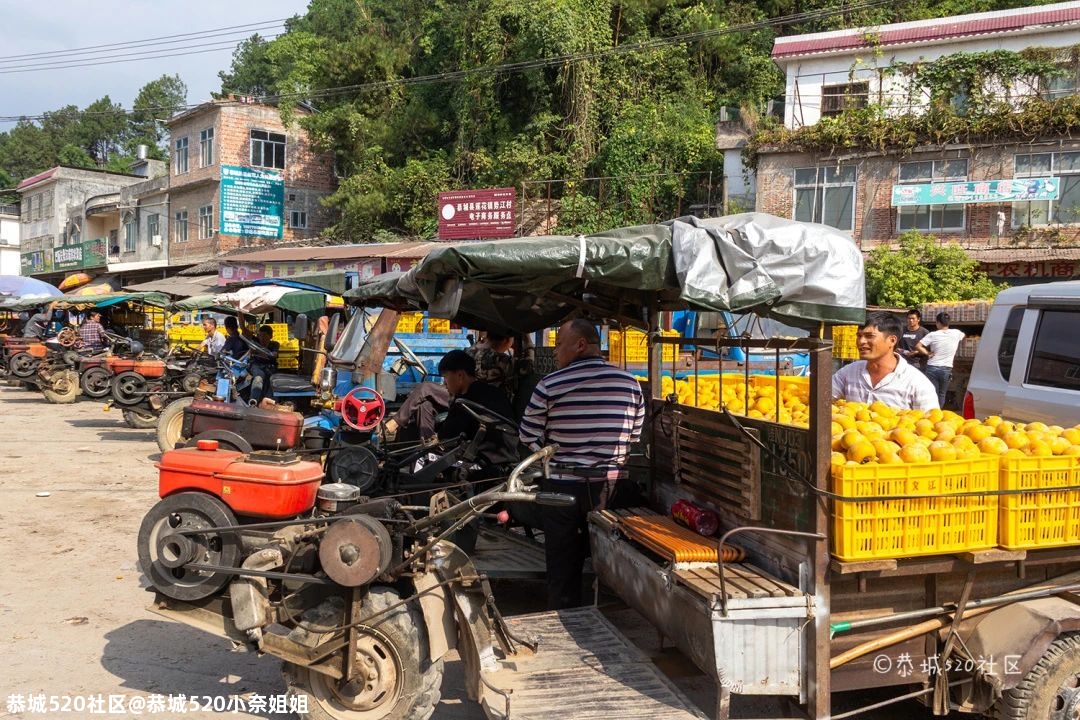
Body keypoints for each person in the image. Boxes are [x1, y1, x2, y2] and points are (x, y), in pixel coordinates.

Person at [519, 318, 645, 610]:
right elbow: (633, 436)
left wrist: (553, 455)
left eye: (559, 344)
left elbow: (528, 435)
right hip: (610, 488)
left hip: (563, 486)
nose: (555, 352)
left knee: (563, 561)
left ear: (580, 345)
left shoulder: (549, 384)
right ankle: (609, 611)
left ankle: (565, 614)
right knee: (608, 552)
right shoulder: (629, 382)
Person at [832, 311, 939, 411]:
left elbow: (932, 423)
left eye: (869, 336)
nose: (861, 341)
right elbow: (822, 399)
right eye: (859, 336)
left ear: (892, 341)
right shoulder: (847, 372)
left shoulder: (917, 383)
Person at [436, 349, 515, 456]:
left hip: (485, 460)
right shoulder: (493, 392)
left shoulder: (464, 402)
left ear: (460, 375)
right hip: (507, 453)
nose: (444, 383)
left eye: (445, 377)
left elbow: (446, 436)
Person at [915, 312, 966, 409]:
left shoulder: (933, 335)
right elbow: (963, 337)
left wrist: (927, 353)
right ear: (948, 322)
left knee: (932, 393)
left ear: (937, 323)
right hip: (946, 369)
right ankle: (938, 413)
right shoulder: (956, 333)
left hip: (932, 368)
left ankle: (931, 413)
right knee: (942, 394)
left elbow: (918, 346)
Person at [248, 325, 280, 405]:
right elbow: (244, 331)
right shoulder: (255, 341)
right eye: (260, 336)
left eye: (265, 336)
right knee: (258, 378)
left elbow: (274, 354)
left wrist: (262, 352)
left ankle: (268, 401)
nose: (262, 338)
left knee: (273, 381)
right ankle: (253, 401)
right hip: (257, 365)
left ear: (271, 336)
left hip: (270, 367)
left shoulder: (275, 344)